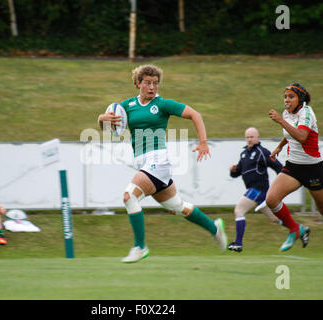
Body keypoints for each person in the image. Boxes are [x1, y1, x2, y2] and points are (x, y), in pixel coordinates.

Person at [97, 64, 228, 263]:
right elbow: (109, 126)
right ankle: (215, 228)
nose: (152, 87)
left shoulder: (163, 104)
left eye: (155, 83)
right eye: (148, 83)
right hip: (144, 164)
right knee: (177, 206)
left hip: (158, 161)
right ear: (138, 83)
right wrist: (102, 118)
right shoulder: (127, 106)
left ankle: (140, 247)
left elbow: (196, 115)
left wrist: (203, 142)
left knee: (129, 196)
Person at [267, 83, 323, 262]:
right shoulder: (287, 114)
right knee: (271, 199)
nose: (286, 100)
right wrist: (279, 147)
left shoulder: (307, 112)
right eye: (285, 97)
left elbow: (301, 136)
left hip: (313, 169)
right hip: (293, 167)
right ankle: (296, 229)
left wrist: (280, 121)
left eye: (291, 97)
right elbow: (289, 133)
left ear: (300, 98)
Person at [228, 127, 283, 252]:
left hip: (258, 190)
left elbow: (279, 168)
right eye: (247, 137)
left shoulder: (262, 152)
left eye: (252, 137)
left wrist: (278, 187)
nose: (249, 139)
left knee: (239, 210)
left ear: (258, 138)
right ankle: (299, 229)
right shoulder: (244, 153)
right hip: (258, 193)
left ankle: (238, 243)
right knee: (275, 218)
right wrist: (233, 171)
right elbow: (238, 173)